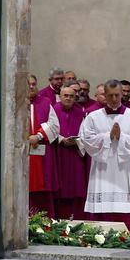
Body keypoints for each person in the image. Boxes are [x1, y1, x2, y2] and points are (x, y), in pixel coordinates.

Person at [78, 78, 130, 233]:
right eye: (110, 96)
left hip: (125, 169)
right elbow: (86, 139)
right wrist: (107, 137)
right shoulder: (93, 117)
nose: (114, 99)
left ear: (122, 94)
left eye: (117, 95)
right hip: (102, 170)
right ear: (104, 95)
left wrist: (121, 137)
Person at [53, 85, 88, 219]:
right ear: (60, 96)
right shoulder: (53, 110)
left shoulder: (81, 112)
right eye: (65, 96)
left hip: (75, 154)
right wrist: (61, 139)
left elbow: (85, 132)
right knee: (60, 187)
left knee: (76, 186)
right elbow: (49, 128)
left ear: (75, 97)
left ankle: (76, 217)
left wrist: (77, 141)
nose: (68, 98)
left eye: (71, 96)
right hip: (58, 153)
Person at [28, 74, 60, 215]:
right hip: (23, 153)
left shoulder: (45, 102)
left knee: (43, 191)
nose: (31, 87)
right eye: (28, 84)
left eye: (34, 84)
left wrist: (39, 135)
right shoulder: (13, 103)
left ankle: (46, 225)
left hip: (42, 153)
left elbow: (54, 125)